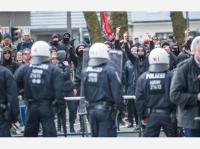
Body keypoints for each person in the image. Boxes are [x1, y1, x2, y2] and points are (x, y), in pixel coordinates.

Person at [14, 41, 65, 137]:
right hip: (47, 106)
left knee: (30, 136)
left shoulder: (24, 68)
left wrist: (23, 92)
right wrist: (58, 108)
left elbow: (13, 86)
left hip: (31, 106)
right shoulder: (53, 69)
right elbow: (59, 93)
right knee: (50, 136)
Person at [82, 43, 124, 137]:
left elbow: (84, 92)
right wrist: (122, 109)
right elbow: (117, 93)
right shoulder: (110, 70)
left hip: (91, 111)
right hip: (105, 111)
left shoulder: (85, 71)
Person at [136, 48, 176, 137]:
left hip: (152, 115)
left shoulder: (143, 78)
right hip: (169, 115)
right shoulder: (171, 76)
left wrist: (142, 116)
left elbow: (139, 100)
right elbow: (176, 95)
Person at [170, 36, 200, 137]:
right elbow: (174, 95)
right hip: (192, 120)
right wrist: (196, 97)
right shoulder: (183, 68)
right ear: (193, 51)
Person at [0, 47, 19, 137]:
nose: (7, 54)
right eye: (5, 53)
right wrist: (14, 116)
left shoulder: (14, 65)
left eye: (9, 53)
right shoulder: (4, 71)